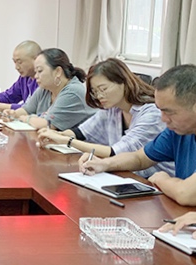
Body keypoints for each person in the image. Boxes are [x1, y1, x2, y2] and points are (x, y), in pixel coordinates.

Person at [79, 64, 196, 206]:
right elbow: (140, 158)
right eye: (161, 111)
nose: (163, 119)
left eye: (169, 112)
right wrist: (104, 164)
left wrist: (161, 179)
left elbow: (185, 194)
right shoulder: (176, 132)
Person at [38, 58, 173, 178]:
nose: (99, 96)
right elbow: (82, 132)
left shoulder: (152, 114)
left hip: (157, 182)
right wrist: (57, 135)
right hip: (125, 175)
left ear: (123, 82)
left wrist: (66, 141)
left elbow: (116, 152)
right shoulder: (112, 108)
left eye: (103, 89)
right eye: (95, 92)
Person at [3, 48, 95, 130]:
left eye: (40, 71)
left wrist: (23, 118)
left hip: (83, 143)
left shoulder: (73, 92)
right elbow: (26, 110)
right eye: (36, 72)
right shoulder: (45, 89)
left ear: (58, 71)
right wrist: (13, 114)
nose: (36, 76)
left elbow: (47, 124)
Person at [0, 40, 40, 111]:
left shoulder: (43, 81)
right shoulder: (24, 78)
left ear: (36, 59)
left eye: (20, 62)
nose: (16, 67)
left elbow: (30, 108)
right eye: (15, 62)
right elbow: (9, 96)